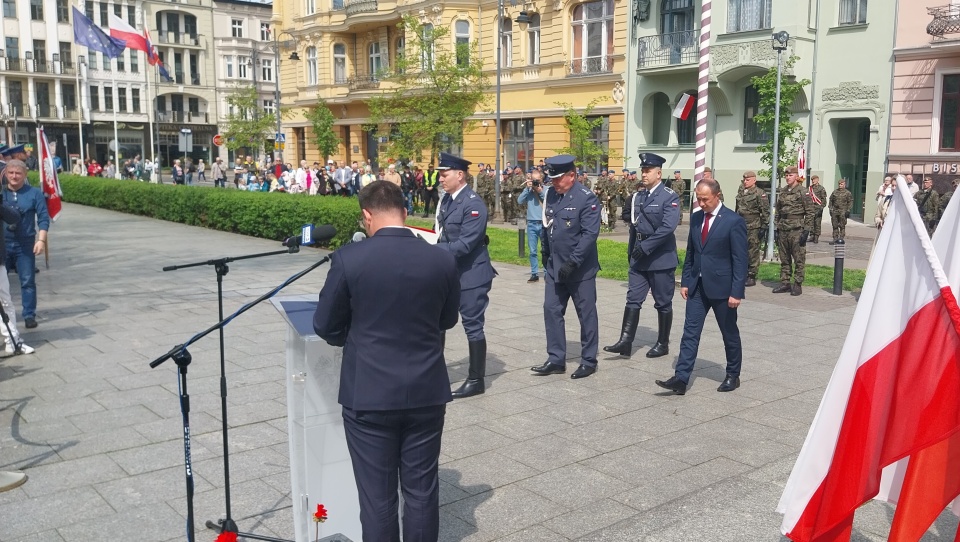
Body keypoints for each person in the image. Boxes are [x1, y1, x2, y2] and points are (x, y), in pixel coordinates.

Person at [313, 180, 460, 542]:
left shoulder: (349, 258)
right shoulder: (442, 257)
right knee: (422, 492)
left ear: (367, 215)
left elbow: (324, 324)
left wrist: (351, 336)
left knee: (378, 499)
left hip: (370, 395)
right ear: (405, 213)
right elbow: (448, 319)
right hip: (426, 391)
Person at [655, 178, 747, 395]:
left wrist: (737, 292)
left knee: (729, 332)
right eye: (698, 198)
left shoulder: (733, 221)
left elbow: (740, 260)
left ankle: (733, 374)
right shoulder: (696, 218)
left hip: (723, 289)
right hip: (697, 286)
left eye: (705, 199)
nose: (701, 203)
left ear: (717, 195)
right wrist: (686, 281)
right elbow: (692, 253)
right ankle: (681, 378)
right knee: (690, 332)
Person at [530, 155, 601, 379]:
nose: (554, 183)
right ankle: (556, 358)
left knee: (586, 314)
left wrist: (573, 262)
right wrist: (545, 253)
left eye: (558, 178)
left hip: (580, 270)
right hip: (554, 267)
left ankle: (588, 360)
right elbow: (547, 224)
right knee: (551, 310)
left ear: (572, 175)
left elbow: (589, 235)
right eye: (551, 178)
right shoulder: (551, 194)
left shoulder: (586, 198)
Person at [433, 153, 496, 399]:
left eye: (444, 174)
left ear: (460, 175)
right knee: (438, 321)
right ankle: (435, 372)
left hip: (471, 274)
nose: (440, 179)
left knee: (472, 325)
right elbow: (442, 234)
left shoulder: (473, 204)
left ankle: (476, 379)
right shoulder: (448, 200)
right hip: (450, 272)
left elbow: (464, 245)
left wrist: (430, 249)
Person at [604, 152, 679, 358]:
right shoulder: (638, 196)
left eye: (648, 171)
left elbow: (667, 228)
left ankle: (663, 343)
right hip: (639, 257)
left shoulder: (669, 196)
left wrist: (646, 247)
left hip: (660, 257)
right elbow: (634, 227)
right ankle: (625, 341)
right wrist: (632, 252)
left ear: (658, 173)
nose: (644, 174)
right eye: (642, 170)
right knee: (633, 298)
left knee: (662, 301)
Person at [2, 160, 50, 329]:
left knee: (27, 280)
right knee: (1, 283)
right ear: (5, 174)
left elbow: (44, 218)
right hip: (3, 244)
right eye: (11, 173)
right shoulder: (1, 193)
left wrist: (41, 240)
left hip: (25, 244)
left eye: (18, 173)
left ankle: (29, 314)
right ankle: (4, 317)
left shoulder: (34, 193)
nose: (14, 176)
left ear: (25, 175)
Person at [773, 166, 813, 296]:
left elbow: (810, 212)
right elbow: (778, 211)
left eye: (790, 175)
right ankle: (785, 283)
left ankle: (797, 284)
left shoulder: (803, 191)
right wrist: (776, 227)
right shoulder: (783, 191)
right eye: (786, 175)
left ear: (796, 176)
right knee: (784, 258)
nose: (787, 177)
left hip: (797, 229)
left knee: (799, 258)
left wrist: (806, 230)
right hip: (783, 228)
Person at [735, 171, 769, 287]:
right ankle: (742, 273)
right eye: (744, 179)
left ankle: (751, 275)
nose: (745, 181)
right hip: (740, 225)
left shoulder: (759, 193)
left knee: (752, 251)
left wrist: (764, 226)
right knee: (740, 250)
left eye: (748, 179)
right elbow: (737, 208)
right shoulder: (741, 192)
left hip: (753, 225)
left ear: (754, 180)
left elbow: (765, 211)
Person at [517, 168, 545, 282]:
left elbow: (547, 201)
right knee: (532, 251)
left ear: (541, 179)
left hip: (543, 224)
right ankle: (534, 273)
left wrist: (539, 190)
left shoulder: (546, 189)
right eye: (533, 180)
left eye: (537, 180)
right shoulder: (529, 191)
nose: (535, 182)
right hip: (532, 224)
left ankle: (547, 272)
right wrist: (527, 188)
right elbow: (519, 201)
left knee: (545, 250)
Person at [829, 178, 855, 243]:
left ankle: (841, 238)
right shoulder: (835, 192)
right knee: (834, 225)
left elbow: (850, 202)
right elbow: (831, 200)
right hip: (835, 211)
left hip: (843, 211)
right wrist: (830, 208)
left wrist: (848, 210)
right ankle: (835, 238)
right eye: (839, 184)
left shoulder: (847, 193)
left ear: (844, 184)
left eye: (841, 184)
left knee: (842, 225)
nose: (840, 185)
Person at [808, 175, 828, 243]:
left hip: (818, 208)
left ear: (817, 180)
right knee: (811, 223)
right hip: (811, 208)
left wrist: (821, 208)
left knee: (817, 223)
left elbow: (823, 199)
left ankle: (816, 236)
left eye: (814, 179)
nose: (813, 181)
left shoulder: (821, 188)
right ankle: (812, 235)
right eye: (812, 180)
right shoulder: (810, 188)